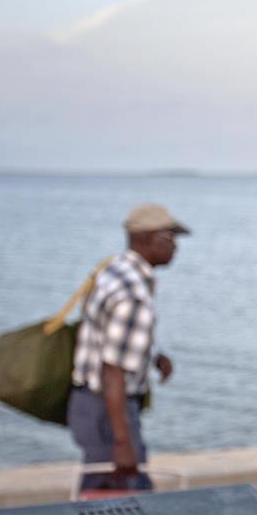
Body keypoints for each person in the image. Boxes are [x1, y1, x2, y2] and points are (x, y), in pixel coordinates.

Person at [68, 203, 190, 491]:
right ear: (147, 238)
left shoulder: (114, 271)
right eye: (170, 238)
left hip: (90, 405)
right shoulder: (134, 294)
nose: (175, 247)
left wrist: (153, 356)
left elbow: (107, 336)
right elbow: (113, 370)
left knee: (106, 496)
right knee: (123, 498)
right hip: (109, 411)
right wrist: (123, 443)